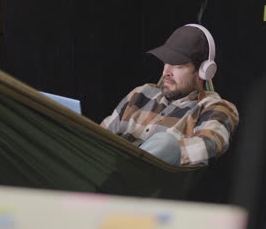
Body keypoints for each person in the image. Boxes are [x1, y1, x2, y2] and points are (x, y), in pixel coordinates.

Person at [100, 24, 239, 166]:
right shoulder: (140, 93)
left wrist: (169, 149)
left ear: (203, 71)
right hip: (101, 170)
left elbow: (209, 145)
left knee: (166, 143)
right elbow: (99, 138)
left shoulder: (216, 107)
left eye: (177, 65)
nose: (166, 72)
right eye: (166, 62)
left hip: (151, 183)